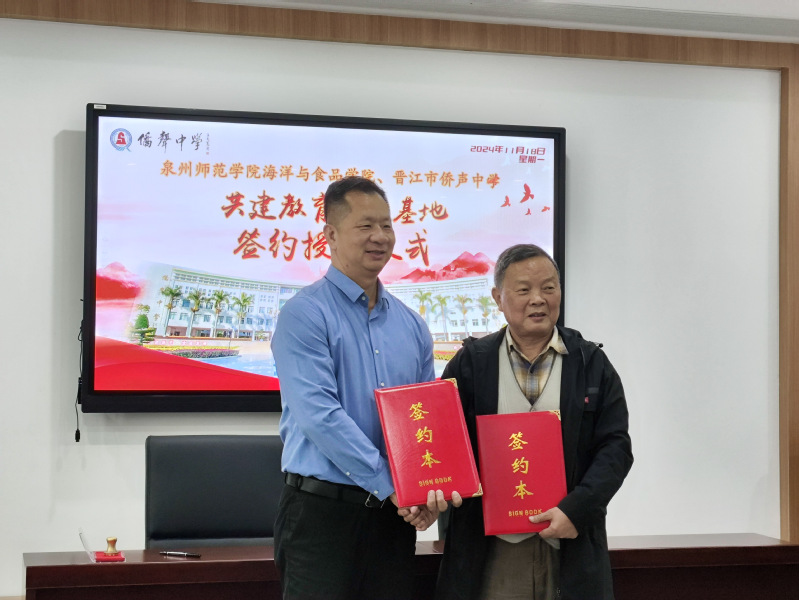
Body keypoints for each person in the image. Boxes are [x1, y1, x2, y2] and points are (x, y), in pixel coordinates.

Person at [272, 176, 445, 600]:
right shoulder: (304, 315)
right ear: (330, 234)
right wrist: (395, 486)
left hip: (392, 519)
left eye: (386, 225)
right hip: (322, 516)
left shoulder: (412, 325)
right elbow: (320, 416)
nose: (380, 237)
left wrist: (425, 489)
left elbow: (422, 418)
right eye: (366, 225)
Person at [436, 243, 633, 600]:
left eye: (548, 287)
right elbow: (446, 445)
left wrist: (576, 511)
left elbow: (615, 448)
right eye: (524, 290)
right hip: (492, 549)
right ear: (498, 298)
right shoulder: (470, 365)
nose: (538, 299)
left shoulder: (591, 363)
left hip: (570, 540)